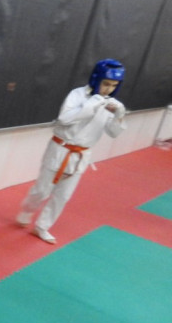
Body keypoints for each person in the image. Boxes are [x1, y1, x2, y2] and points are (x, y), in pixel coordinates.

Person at [16, 59, 127, 244]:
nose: (108, 89)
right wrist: (92, 104)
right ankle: (27, 210)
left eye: (114, 85)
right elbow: (64, 119)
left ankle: (42, 226)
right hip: (60, 148)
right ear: (96, 78)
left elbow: (113, 133)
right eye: (106, 83)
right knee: (42, 190)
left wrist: (119, 115)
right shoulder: (78, 95)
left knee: (63, 196)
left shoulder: (112, 104)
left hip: (82, 154)